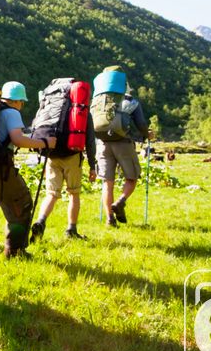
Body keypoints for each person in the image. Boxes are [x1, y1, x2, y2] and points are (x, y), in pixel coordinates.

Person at [0, 81, 55, 266]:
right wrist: (45, 143)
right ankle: (15, 251)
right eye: (22, 102)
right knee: (21, 203)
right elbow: (18, 139)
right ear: (18, 101)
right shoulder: (11, 112)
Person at [30, 115, 97, 241]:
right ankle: (71, 230)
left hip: (52, 154)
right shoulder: (80, 107)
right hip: (72, 154)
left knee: (51, 194)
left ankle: (41, 221)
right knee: (74, 193)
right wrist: (92, 165)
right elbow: (90, 140)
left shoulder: (52, 104)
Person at [97, 84, 152, 227]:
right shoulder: (131, 101)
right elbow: (140, 123)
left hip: (103, 144)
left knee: (107, 183)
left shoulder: (99, 100)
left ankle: (110, 219)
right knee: (132, 177)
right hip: (123, 143)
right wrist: (147, 135)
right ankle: (120, 202)